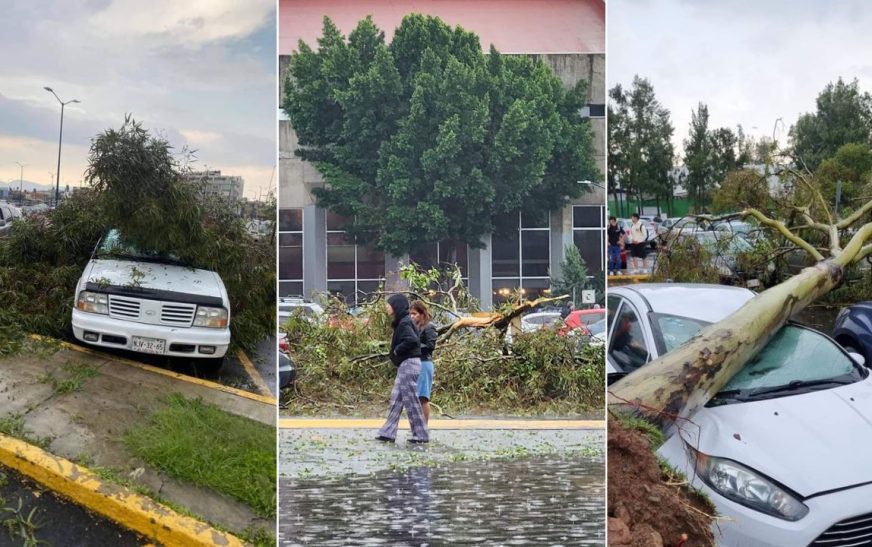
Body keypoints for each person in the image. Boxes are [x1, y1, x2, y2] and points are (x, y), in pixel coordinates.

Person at [376, 293, 429, 444]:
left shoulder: (405, 322)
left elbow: (412, 340)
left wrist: (397, 350)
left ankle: (421, 434)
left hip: (409, 364)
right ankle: (388, 432)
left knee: (411, 400)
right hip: (406, 364)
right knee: (396, 400)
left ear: (396, 306)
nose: (387, 307)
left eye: (389, 304)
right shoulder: (404, 321)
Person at [409, 300, 437, 425]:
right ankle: (417, 425)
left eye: (414, 314)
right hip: (415, 363)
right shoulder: (415, 327)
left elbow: (431, 345)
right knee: (415, 396)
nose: (412, 316)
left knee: (423, 397)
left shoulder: (429, 326)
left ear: (422, 314)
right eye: (410, 314)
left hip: (425, 363)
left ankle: (423, 426)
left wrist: (414, 347)